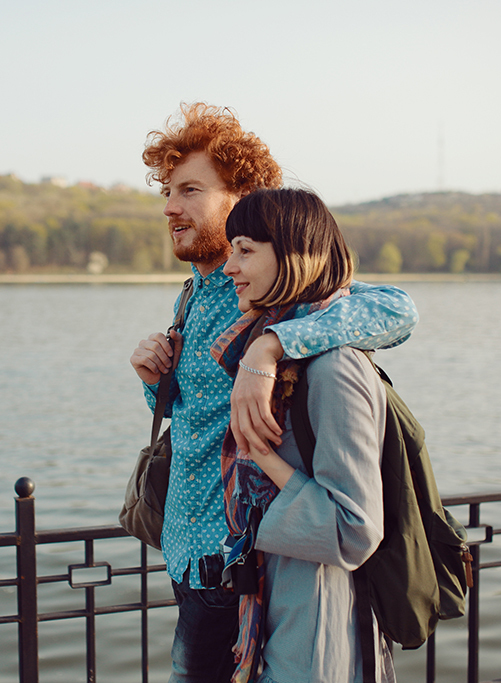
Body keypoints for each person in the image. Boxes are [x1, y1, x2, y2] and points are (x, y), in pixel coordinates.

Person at [129, 103, 414, 683]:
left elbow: (398, 309)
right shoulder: (197, 294)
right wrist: (155, 384)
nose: (170, 207)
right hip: (184, 559)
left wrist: (272, 345)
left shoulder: (277, 296)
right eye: (166, 190)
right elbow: (200, 419)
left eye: (189, 190)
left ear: (242, 196)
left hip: (236, 565)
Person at [212, 188, 394, 683]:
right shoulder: (281, 344)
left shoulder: (335, 367)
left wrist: (260, 455)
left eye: (245, 250)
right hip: (284, 613)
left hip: (318, 636)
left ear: (293, 254)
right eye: (232, 250)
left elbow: (355, 530)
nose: (230, 266)